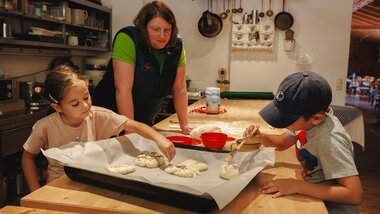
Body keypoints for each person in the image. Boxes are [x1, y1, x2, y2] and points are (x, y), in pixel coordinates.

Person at [22, 65, 176, 192]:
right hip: (56, 188)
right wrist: (35, 191)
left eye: (86, 97)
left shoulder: (99, 116)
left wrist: (159, 139)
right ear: (57, 107)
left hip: (91, 185)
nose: (85, 105)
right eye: (75, 103)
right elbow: (28, 157)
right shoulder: (45, 126)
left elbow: (136, 126)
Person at [243, 72, 363, 213]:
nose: (282, 122)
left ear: (317, 118)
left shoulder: (331, 140)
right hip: (311, 193)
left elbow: (354, 195)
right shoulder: (307, 123)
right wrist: (261, 136)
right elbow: (282, 143)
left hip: (331, 207)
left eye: (287, 119)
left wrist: (296, 186)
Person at [92, 1, 190, 134]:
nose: (162, 36)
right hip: (110, 119)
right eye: (155, 29)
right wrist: (131, 132)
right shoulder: (127, 39)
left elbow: (180, 89)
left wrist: (185, 127)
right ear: (143, 27)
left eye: (167, 30)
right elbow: (123, 91)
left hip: (145, 120)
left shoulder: (177, 46)